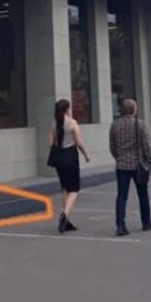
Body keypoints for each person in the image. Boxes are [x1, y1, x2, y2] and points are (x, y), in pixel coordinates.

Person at [108, 98, 151, 236]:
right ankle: (146, 222)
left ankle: (120, 225)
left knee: (122, 196)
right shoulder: (139, 124)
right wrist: (148, 160)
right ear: (133, 109)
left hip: (121, 165)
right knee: (143, 194)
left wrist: (118, 157)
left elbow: (112, 146)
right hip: (138, 165)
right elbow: (146, 145)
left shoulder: (115, 125)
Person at [47, 98, 89, 233]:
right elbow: (79, 143)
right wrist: (86, 155)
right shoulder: (72, 123)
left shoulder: (54, 123)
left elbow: (50, 143)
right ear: (67, 109)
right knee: (74, 189)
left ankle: (67, 221)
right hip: (70, 155)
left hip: (58, 156)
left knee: (65, 188)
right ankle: (64, 215)